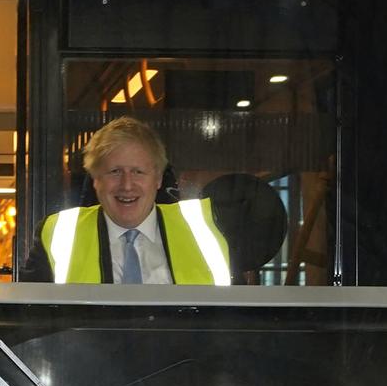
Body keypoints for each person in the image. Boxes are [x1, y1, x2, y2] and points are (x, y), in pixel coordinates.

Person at [19, 116, 232, 285]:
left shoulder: (207, 230)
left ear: (157, 179)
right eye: (114, 171)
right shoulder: (58, 234)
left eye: (138, 172)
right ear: (95, 179)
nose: (127, 185)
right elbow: (29, 321)